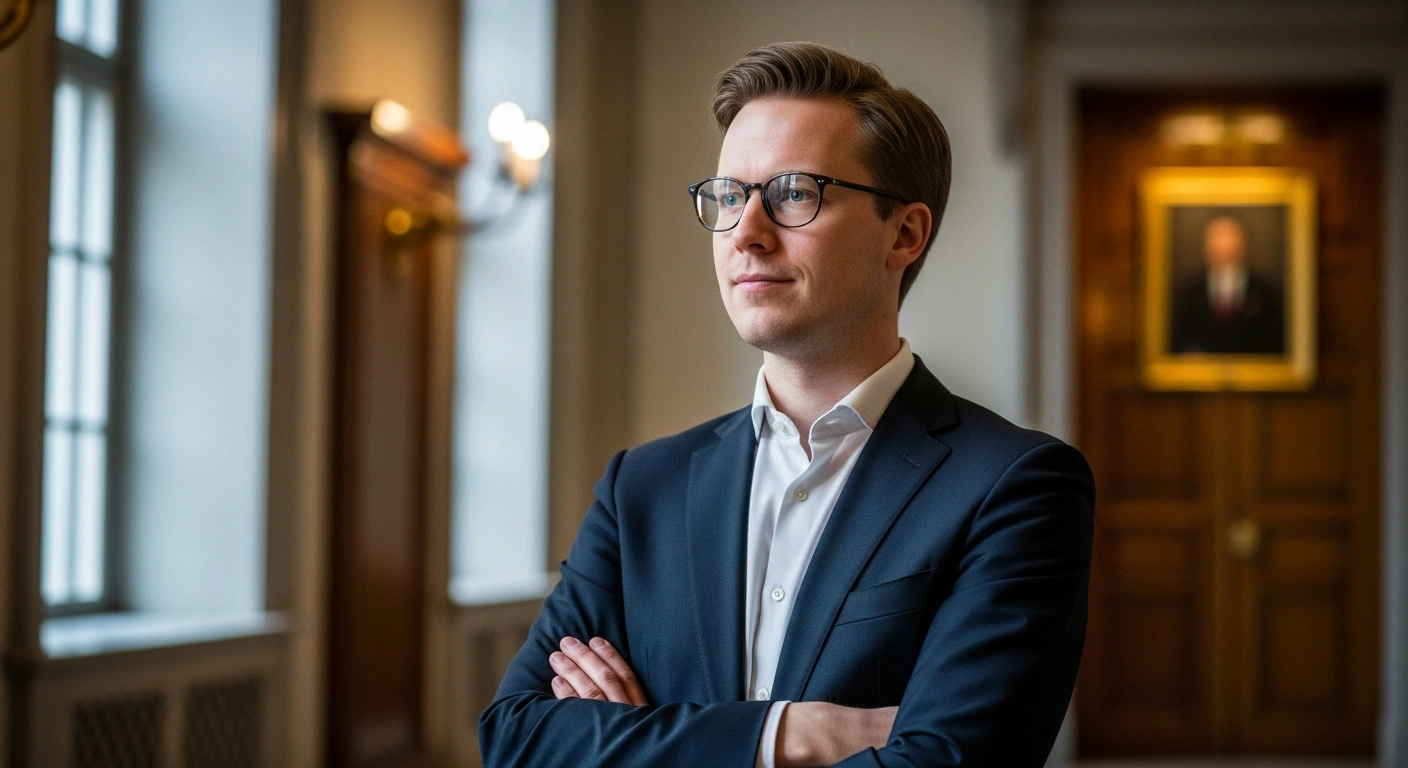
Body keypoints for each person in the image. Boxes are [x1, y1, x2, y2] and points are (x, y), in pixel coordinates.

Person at [479, 41, 1095, 768]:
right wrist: (791, 736)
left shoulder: (1016, 486)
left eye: (795, 193)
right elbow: (517, 738)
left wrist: (640, 743)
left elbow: (946, 760)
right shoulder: (640, 489)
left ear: (905, 233)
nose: (746, 232)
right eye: (729, 195)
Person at [1169, 214, 1285, 355]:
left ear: (1243, 243)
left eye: (1230, 236)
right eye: (1217, 237)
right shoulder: (1190, 291)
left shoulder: (1264, 290)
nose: (1224, 244)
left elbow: (1274, 340)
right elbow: (1179, 339)